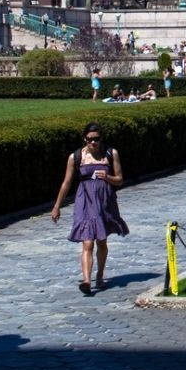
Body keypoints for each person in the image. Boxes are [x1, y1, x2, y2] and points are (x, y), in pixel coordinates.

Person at [51, 122, 129, 295]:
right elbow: (67, 182)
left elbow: (120, 179)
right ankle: (87, 280)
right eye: (90, 139)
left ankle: (100, 275)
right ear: (84, 139)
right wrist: (57, 206)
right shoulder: (76, 157)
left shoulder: (110, 153)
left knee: (101, 240)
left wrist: (107, 177)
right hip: (84, 201)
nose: (93, 143)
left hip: (104, 202)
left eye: (97, 139)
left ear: (101, 138)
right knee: (87, 242)